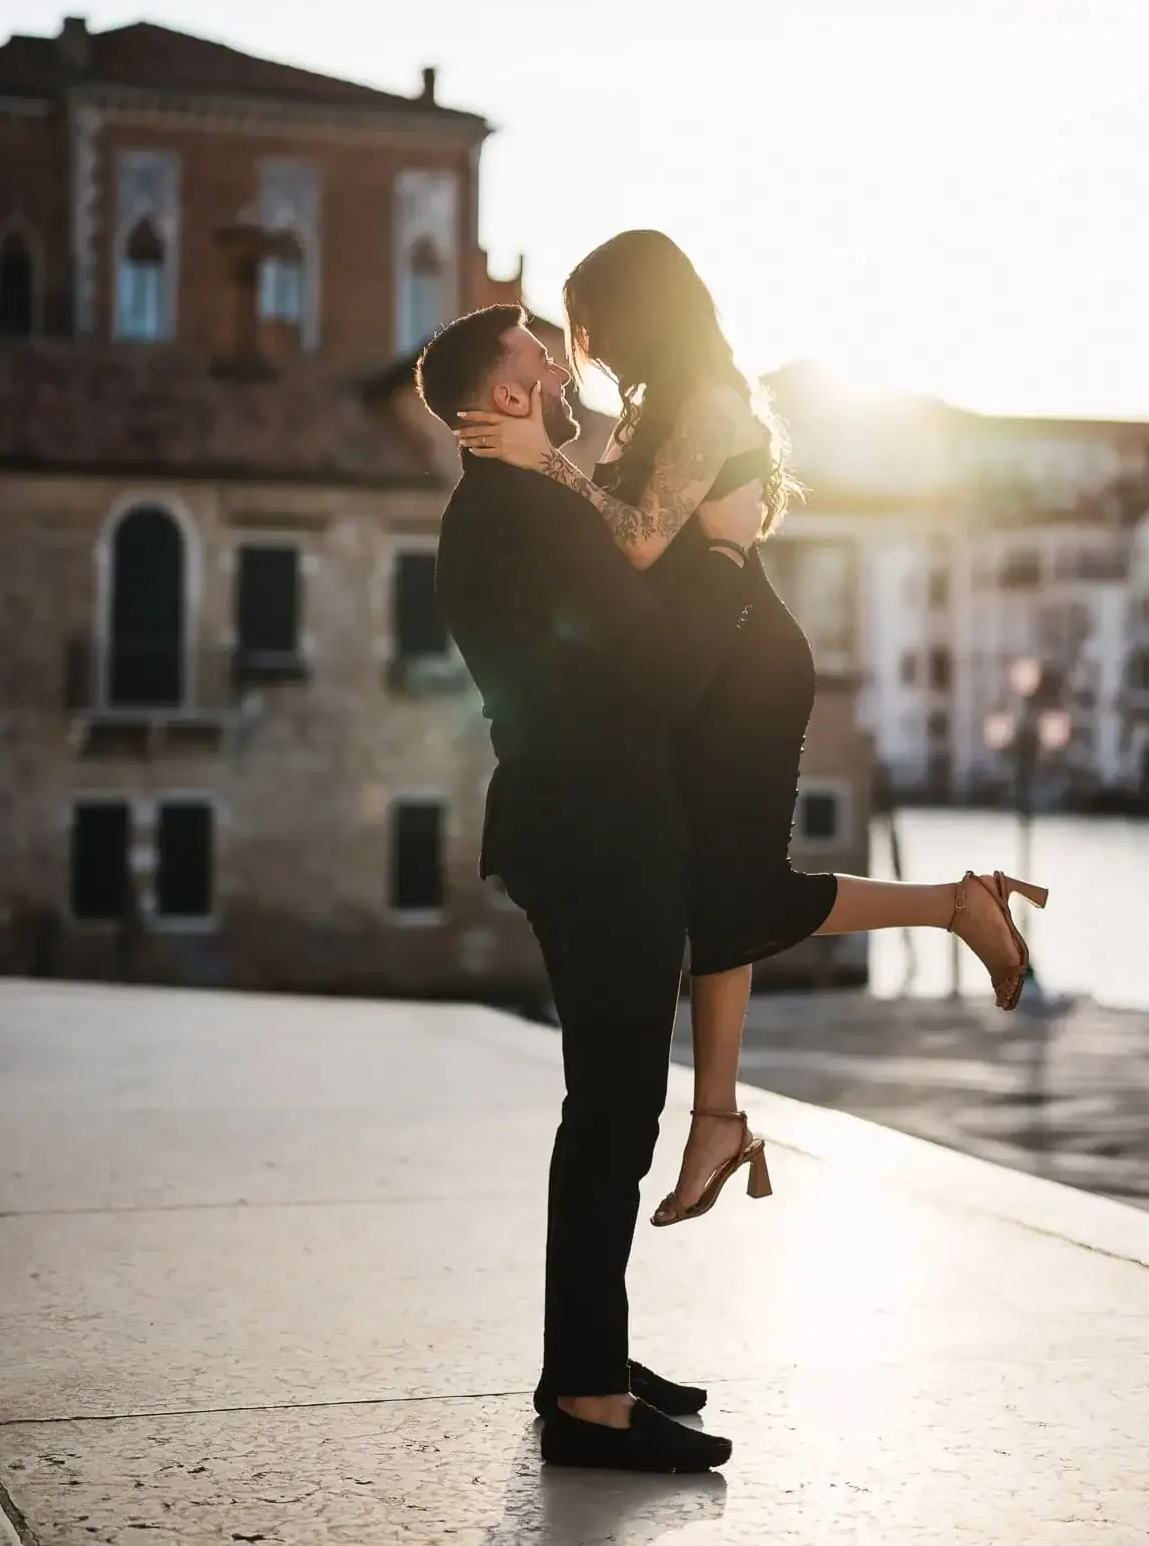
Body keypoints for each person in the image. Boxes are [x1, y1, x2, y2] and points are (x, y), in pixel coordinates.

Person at [457, 230, 1048, 1224]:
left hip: (747, 663)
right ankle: (718, 1118)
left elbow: (637, 542)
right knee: (711, 890)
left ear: (638, 311)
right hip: (695, 663)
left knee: (742, 888)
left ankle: (959, 903)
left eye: (591, 323)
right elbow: (617, 536)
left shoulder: (713, 406)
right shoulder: (645, 414)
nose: (584, 349)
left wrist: (537, 460)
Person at [419, 303, 763, 1475]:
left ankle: (590, 1358)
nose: (561, 368)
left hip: (570, 827)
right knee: (612, 1115)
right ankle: (590, 1400)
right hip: (603, 834)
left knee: (605, 1108)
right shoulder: (531, 519)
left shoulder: (501, 507)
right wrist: (724, 553)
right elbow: (665, 671)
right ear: (505, 395)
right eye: (536, 359)